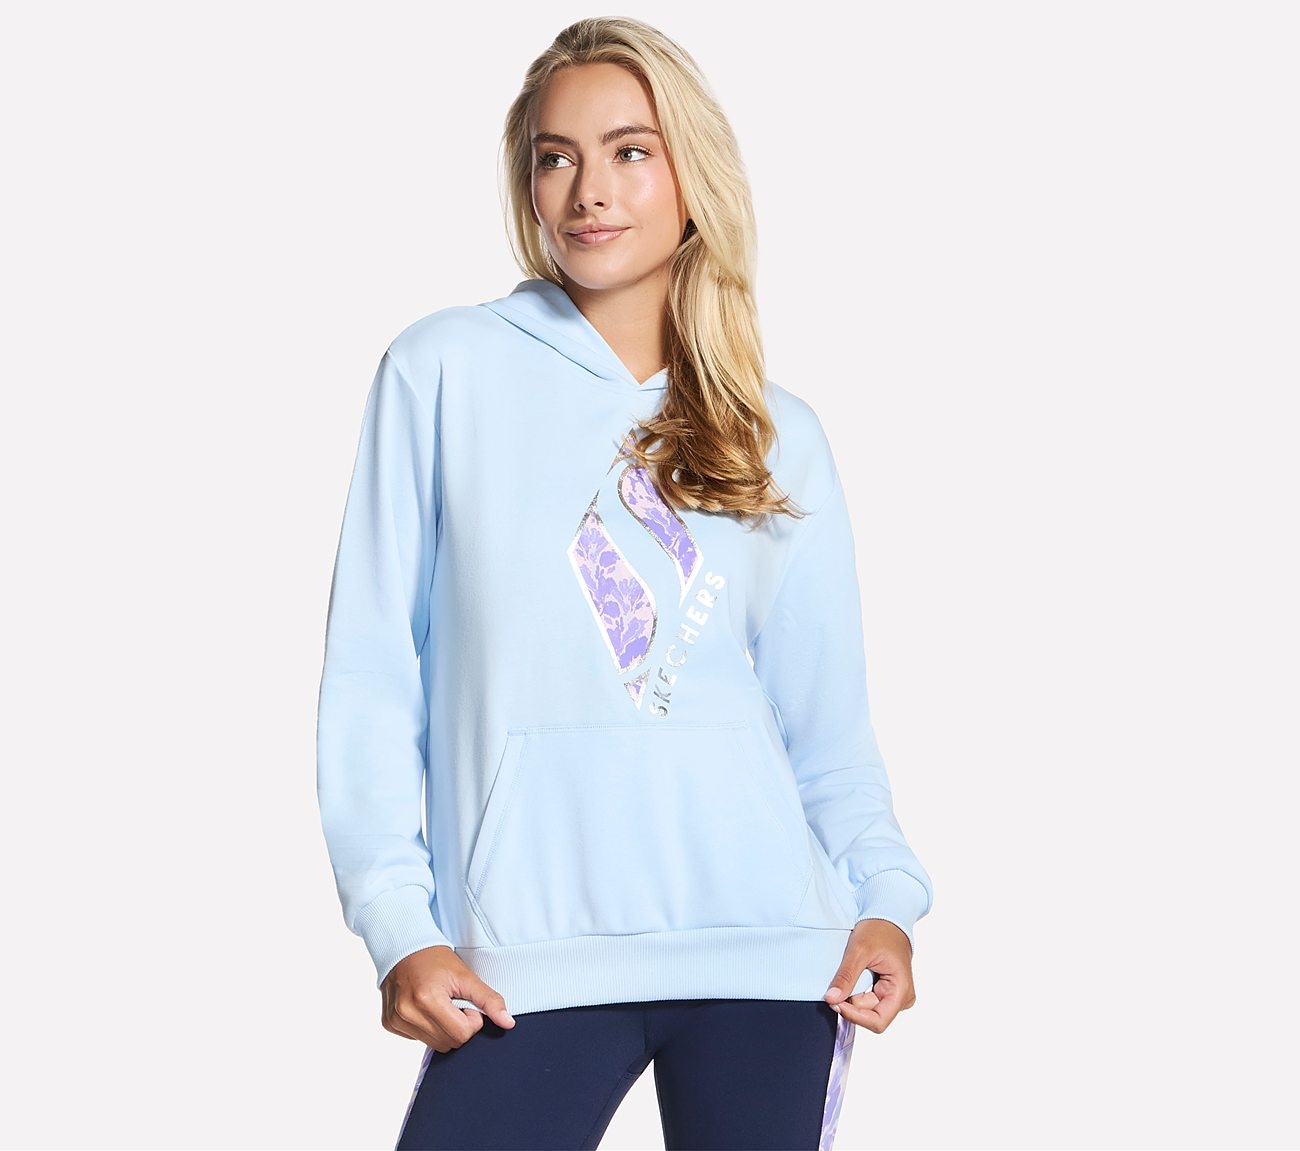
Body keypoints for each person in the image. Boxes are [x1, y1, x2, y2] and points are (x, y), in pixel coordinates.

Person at [315, 16, 934, 1151]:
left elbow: (827, 730)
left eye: (629, 151)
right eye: (555, 157)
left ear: (693, 176)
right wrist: (398, 924)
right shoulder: (443, 372)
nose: (588, 189)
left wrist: (885, 900)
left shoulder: (773, 432)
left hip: (769, 956)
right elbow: (370, 676)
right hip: (523, 956)